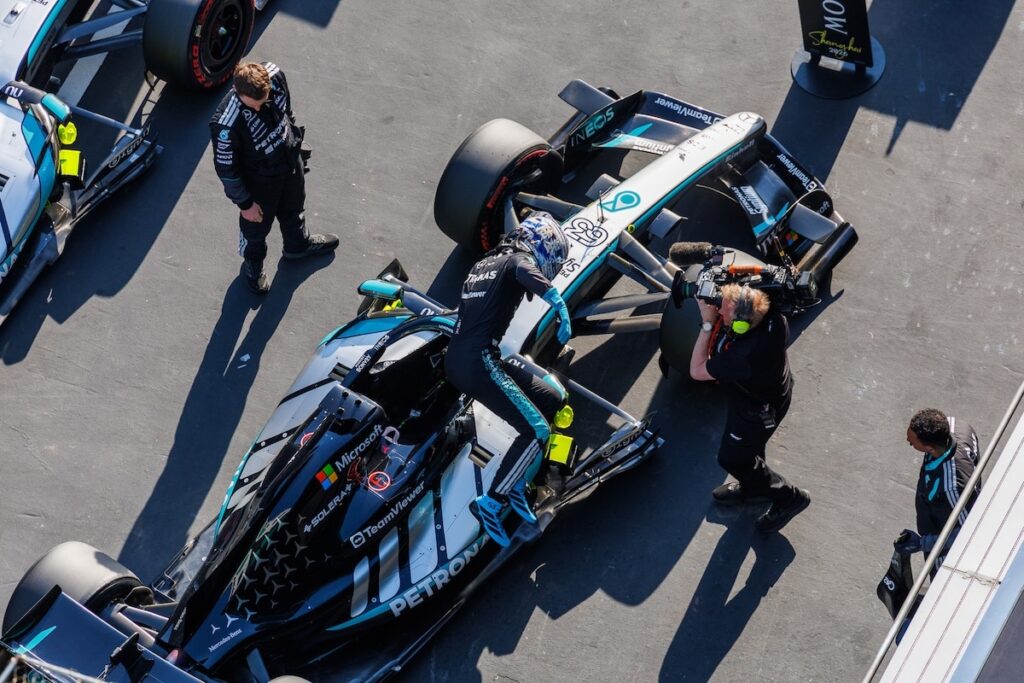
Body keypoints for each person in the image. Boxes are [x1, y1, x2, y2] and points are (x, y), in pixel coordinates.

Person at [445, 212, 572, 548]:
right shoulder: (516, 260)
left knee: (548, 397)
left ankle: (514, 481)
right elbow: (524, 270)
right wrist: (558, 305)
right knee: (537, 430)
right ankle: (492, 500)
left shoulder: (484, 264)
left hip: (468, 356)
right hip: (478, 361)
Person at [689, 283, 811, 533]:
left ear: (741, 324)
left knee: (732, 457)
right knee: (750, 451)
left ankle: (789, 498)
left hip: (754, 411)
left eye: (722, 313)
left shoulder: (742, 355)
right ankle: (754, 487)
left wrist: (707, 324)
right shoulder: (773, 315)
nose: (718, 313)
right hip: (775, 392)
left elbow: (697, 370)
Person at [210, 61, 339, 294]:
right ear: (237, 92)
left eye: (264, 101)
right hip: (259, 184)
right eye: (254, 106)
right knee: (255, 232)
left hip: (289, 164)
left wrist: (296, 145)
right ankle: (253, 265)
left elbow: (288, 112)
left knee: (296, 208)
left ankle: (297, 246)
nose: (260, 109)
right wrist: (245, 204)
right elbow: (226, 170)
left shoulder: (276, 76)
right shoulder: (225, 125)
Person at [896, 408, 981, 566]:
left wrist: (922, 543)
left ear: (929, 448)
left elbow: (967, 532)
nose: (909, 442)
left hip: (945, 551)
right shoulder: (956, 426)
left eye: (912, 443)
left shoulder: (952, 487)